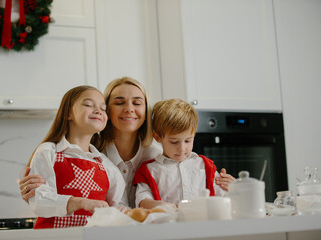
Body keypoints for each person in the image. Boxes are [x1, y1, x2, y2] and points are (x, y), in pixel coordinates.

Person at [18, 77, 235, 208]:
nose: (129, 109)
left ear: (145, 109)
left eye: (137, 103)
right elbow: (45, 192)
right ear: (105, 110)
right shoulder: (91, 156)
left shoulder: (159, 155)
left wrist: (230, 187)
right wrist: (34, 192)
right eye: (119, 102)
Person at [27, 85, 126, 229]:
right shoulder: (48, 152)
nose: (98, 111)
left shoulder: (106, 164)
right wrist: (79, 203)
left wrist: (120, 211)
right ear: (68, 113)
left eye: (103, 109)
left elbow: (119, 204)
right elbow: (38, 199)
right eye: (88, 105)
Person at [133, 99, 235, 209]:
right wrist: (163, 206)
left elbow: (226, 199)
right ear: (158, 137)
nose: (182, 149)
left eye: (187, 141)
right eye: (174, 142)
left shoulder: (205, 166)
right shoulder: (149, 171)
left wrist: (235, 188)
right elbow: (142, 201)